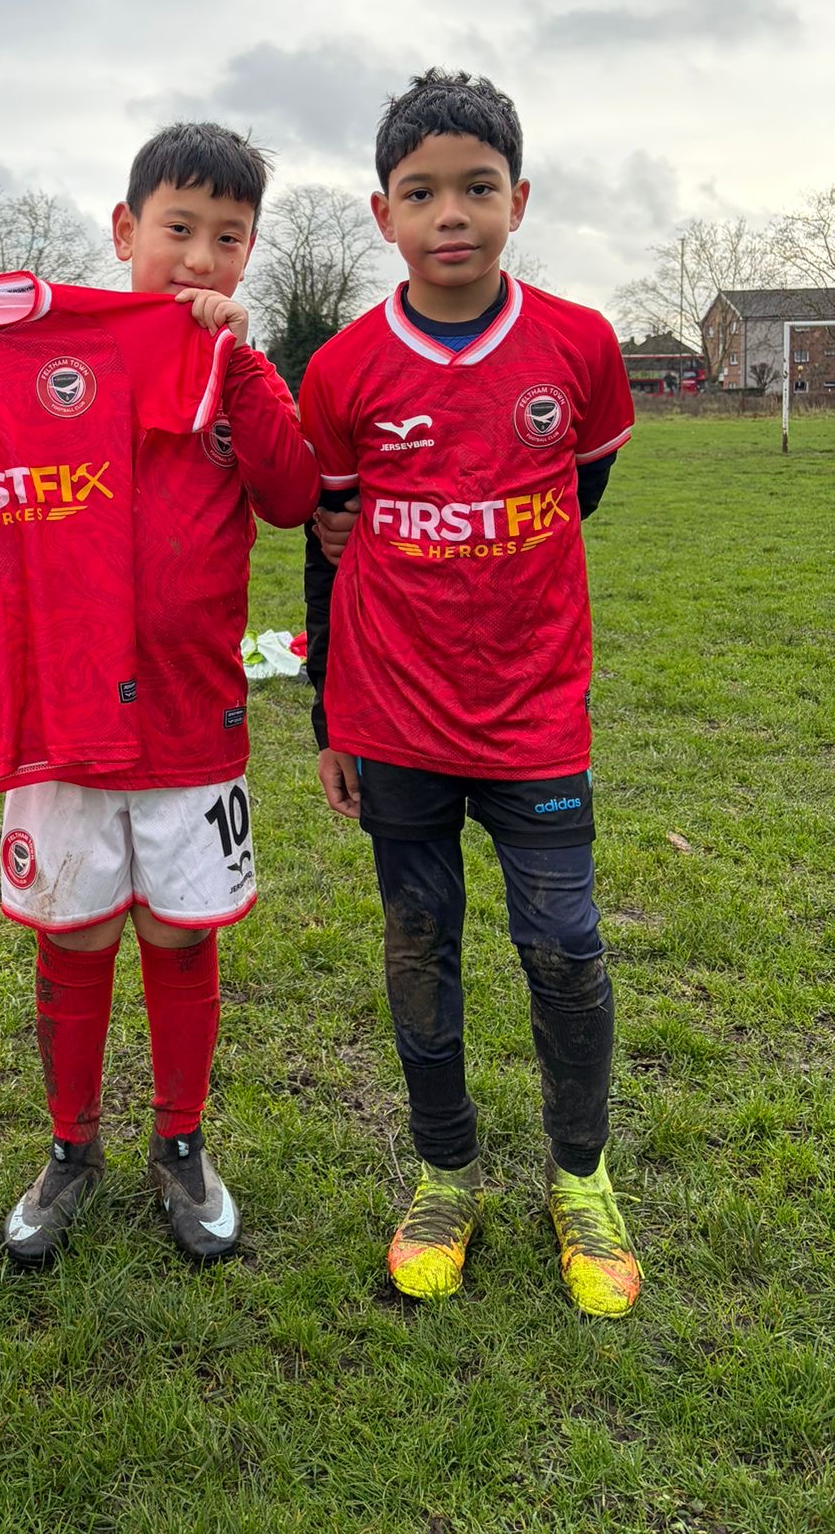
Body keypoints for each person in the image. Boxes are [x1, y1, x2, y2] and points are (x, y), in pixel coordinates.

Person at [301, 69, 640, 1316]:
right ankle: (446, 1171)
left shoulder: (581, 345)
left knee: (565, 946)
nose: (452, 214)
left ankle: (581, 1177)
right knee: (418, 943)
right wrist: (329, 712)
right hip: (396, 717)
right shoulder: (343, 368)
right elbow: (325, 543)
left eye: (477, 188)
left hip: (535, 715)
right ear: (383, 212)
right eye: (422, 192)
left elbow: (580, 490)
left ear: (519, 200)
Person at [0, 123, 324, 1264]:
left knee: (179, 934)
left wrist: (245, 366)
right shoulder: (54, 356)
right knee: (78, 930)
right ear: (126, 229)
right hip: (68, 717)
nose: (200, 256)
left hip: (193, 716)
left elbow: (292, 494)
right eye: (179, 228)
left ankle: (180, 1143)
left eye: (229, 237)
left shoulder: (238, 369)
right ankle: (71, 1146)